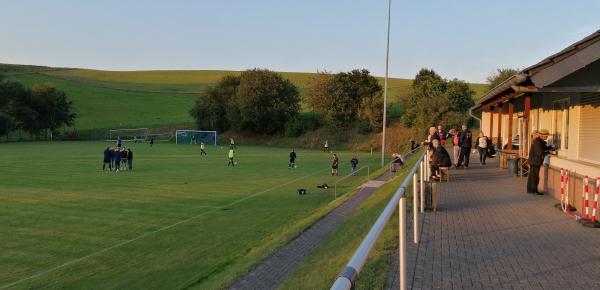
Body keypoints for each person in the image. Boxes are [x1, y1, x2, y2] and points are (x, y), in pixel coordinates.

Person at [527, 129, 552, 195]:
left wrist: (549, 148)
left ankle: (530, 190)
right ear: (542, 136)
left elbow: (544, 148)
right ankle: (534, 191)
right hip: (535, 162)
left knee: (532, 176)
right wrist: (548, 152)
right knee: (535, 177)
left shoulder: (540, 141)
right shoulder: (538, 142)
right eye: (546, 136)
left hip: (534, 161)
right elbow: (539, 152)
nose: (547, 137)